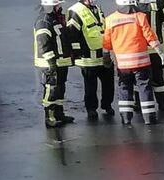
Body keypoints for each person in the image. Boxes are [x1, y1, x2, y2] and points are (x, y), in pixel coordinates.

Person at [102, 0, 163, 125]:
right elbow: (150, 36)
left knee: (124, 88)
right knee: (144, 88)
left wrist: (106, 56)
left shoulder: (110, 19)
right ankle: (149, 117)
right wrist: (160, 53)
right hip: (141, 63)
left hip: (123, 65)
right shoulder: (140, 17)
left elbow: (106, 41)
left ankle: (125, 117)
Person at [65, 0, 113, 119]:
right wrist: (77, 53)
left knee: (109, 83)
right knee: (91, 86)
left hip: (103, 54)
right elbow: (72, 34)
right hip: (87, 57)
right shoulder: (75, 10)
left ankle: (107, 105)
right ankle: (91, 108)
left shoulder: (96, 7)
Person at [33, 0, 75, 128]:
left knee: (60, 89)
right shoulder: (44, 21)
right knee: (51, 90)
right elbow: (43, 43)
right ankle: (49, 116)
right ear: (51, 7)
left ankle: (59, 114)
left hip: (61, 62)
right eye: (58, 5)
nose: (60, 7)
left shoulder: (55, 19)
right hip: (49, 64)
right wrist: (51, 62)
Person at [138, 0, 164, 112]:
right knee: (139, 78)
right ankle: (137, 102)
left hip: (155, 49)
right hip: (139, 48)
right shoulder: (133, 2)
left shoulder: (160, 2)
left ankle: (162, 102)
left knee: (158, 77)